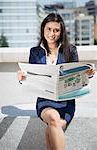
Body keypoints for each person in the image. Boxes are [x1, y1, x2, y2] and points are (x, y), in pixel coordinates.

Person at [17, 13, 95, 150]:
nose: (52, 34)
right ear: (43, 29)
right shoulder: (35, 52)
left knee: (51, 130)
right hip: (45, 102)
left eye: (56, 30)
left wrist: (87, 74)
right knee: (53, 118)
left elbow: (77, 78)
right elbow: (31, 79)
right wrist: (23, 78)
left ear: (61, 31)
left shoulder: (70, 50)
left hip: (66, 103)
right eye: (48, 29)